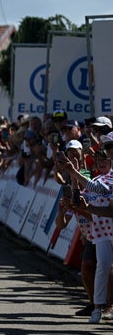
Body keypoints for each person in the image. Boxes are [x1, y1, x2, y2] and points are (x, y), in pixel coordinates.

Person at [61, 135, 113, 323]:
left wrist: (74, 173)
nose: (110, 150)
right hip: (103, 231)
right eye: (108, 147)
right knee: (102, 267)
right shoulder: (106, 176)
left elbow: (101, 192)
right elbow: (98, 189)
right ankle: (98, 308)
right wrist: (84, 206)